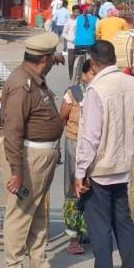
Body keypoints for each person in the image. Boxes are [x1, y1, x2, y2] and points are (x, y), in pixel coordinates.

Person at [73, 40, 134, 268]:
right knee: (123, 222)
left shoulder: (97, 89)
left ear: (93, 62)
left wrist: (80, 172)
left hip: (101, 167)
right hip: (123, 164)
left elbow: (90, 136)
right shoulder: (132, 83)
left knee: (100, 226)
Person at [0, 33, 65, 268]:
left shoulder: (34, 76)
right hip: (27, 157)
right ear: (44, 59)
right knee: (20, 212)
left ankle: (39, 263)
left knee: (38, 211)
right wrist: (17, 171)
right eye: (52, 58)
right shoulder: (21, 84)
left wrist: (56, 58)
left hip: (41, 156)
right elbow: (12, 130)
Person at [60, 61, 92, 255]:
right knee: (73, 191)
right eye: (92, 73)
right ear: (83, 75)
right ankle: (73, 237)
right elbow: (61, 118)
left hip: (95, 147)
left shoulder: (102, 93)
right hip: (74, 145)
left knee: (91, 189)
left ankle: (87, 230)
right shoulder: (72, 94)